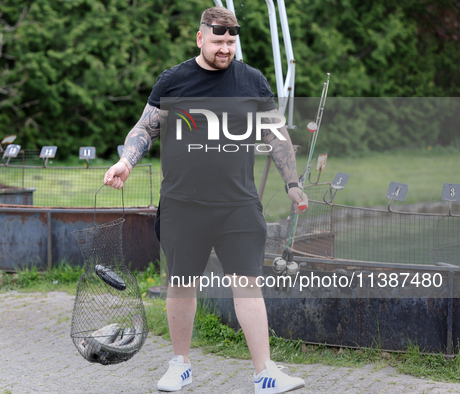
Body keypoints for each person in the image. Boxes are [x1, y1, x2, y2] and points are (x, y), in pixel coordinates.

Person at [104, 6, 307, 394]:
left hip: (238, 204)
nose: (225, 48)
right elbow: (146, 127)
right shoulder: (175, 80)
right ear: (200, 38)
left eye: (231, 42)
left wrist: (292, 183)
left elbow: (276, 136)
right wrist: (126, 161)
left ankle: (265, 373)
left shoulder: (252, 81)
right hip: (183, 204)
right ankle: (180, 366)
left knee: (247, 284)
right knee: (181, 284)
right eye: (218, 41)